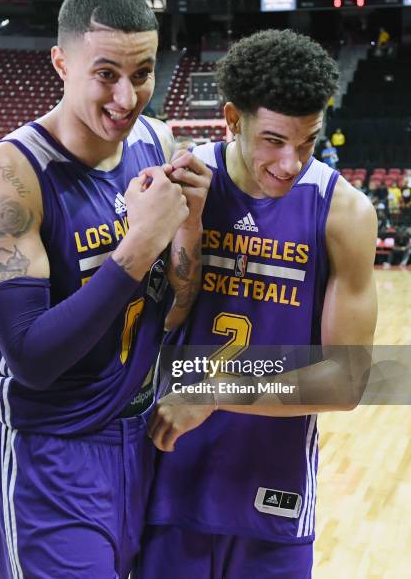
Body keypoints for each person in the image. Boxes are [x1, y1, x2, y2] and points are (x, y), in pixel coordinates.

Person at [0, 0, 211, 579]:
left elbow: (175, 305)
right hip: (54, 449)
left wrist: (190, 229)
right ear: (61, 62)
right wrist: (140, 243)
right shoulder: (7, 173)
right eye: (106, 74)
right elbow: (31, 357)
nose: (128, 97)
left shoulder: (154, 141)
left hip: (141, 435)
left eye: (144, 72)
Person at [134, 30, 377, 579]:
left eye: (308, 141)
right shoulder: (183, 181)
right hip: (171, 473)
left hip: (275, 482)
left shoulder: (344, 212)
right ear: (232, 119)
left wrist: (217, 392)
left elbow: (347, 381)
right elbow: (160, 316)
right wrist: (190, 226)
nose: (290, 163)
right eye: (272, 140)